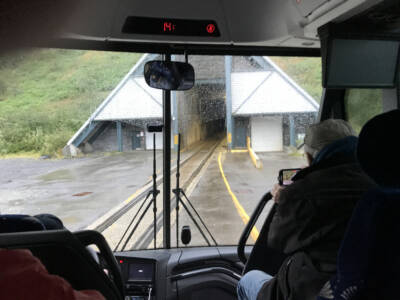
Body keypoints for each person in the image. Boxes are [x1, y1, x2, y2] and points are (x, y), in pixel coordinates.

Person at [237, 119, 376, 300]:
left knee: (248, 280)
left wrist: (282, 198)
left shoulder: (302, 192)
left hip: (311, 288)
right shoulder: (380, 186)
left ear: (310, 157)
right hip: (369, 286)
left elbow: (277, 240)